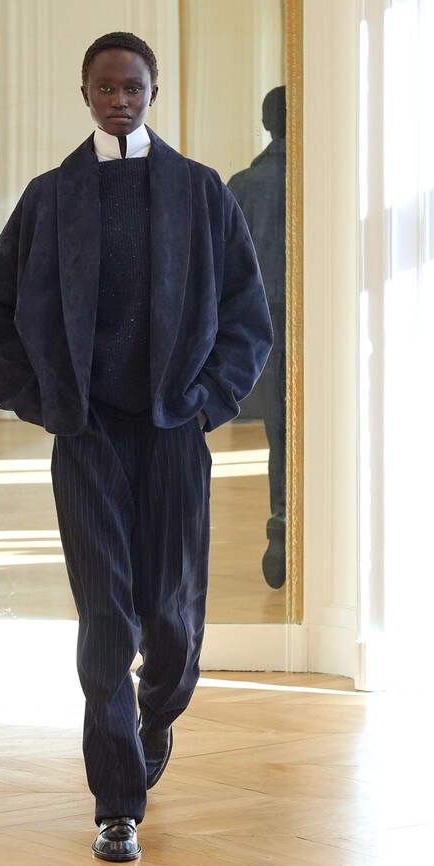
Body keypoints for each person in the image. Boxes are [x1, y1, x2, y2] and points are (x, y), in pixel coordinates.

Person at [0, 31, 272, 863]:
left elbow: (248, 315)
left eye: (132, 86)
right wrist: (43, 403)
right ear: (86, 94)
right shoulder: (50, 198)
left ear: (152, 92)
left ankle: (157, 715)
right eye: (105, 87)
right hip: (89, 436)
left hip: (175, 433)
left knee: (171, 621)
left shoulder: (201, 192)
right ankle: (116, 803)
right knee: (106, 618)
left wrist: (209, 404)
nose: (119, 99)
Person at [227, 86, 287, 590]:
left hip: (263, 322)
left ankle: (284, 518)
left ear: (267, 125)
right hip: (321, 317)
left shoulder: (244, 185)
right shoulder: (326, 177)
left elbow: (224, 270)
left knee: (281, 428)